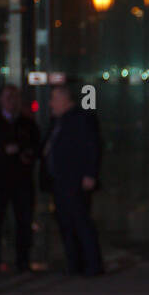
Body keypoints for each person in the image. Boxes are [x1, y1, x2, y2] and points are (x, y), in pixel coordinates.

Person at [40, 81, 103, 276]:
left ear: (64, 100)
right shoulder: (57, 122)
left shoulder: (81, 119)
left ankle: (92, 264)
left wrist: (90, 174)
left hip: (74, 180)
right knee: (66, 223)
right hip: (60, 181)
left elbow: (93, 147)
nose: (51, 104)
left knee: (80, 222)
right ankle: (74, 264)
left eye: (54, 99)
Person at [0, 83, 40, 274]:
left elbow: (36, 150)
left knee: (23, 222)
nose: (12, 102)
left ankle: (23, 260)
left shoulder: (28, 126)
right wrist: (3, 155)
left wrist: (23, 153)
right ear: (0, 101)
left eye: (15, 97)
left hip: (22, 182)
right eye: (8, 97)